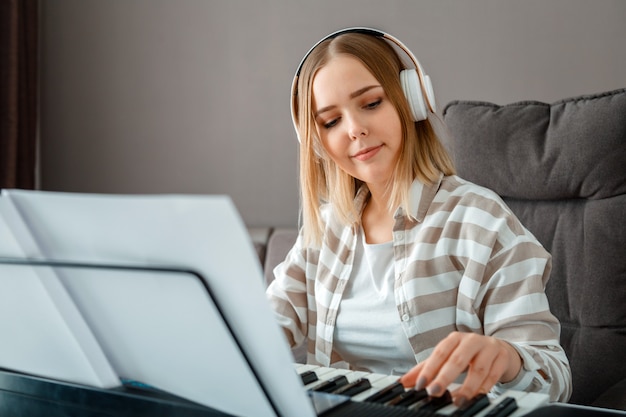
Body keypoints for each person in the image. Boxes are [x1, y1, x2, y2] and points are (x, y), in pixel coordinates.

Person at [266, 27, 572, 406]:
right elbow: (267, 324)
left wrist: (508, 359)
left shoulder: (481, 220)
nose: (354, 129)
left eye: (372, 103)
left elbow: (553, 376)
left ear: (411, 100)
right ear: (316, 141)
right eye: (330, 122)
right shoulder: (325, 229)